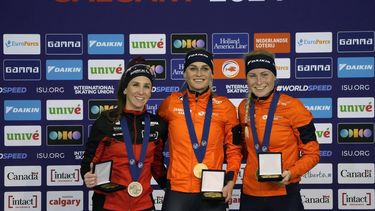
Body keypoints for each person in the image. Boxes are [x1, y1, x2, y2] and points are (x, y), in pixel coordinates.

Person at [158, 48, 242, 211]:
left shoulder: (225, 107)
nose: (199, 74)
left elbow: (234, 149)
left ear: (212, 74)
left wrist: (230, 181)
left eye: (205, 68)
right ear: (184, 73)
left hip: (213, 189)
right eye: (193, 68)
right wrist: (163, 178)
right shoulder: (170, 104)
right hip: (178, 190)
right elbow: (155, 143)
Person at [80, 57, 168, 211]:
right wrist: (87, 175)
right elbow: (89, 161)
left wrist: (173, 188)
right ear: (125, 89)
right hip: (109, 204)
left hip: (144, 204)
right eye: (135, 85)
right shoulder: (106, 121)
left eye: (147, 86)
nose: (141, 91)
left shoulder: (157, 125)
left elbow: (157, 166)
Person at [238, 50, 320, 211]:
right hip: (250, 193)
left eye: (265, 74)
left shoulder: (294, 107)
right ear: (246, 79)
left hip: (284, 194)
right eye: (252, 75)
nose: (259, 81)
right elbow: (243, 149)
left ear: (274, 77)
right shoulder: (243, 108)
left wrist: (291, 173)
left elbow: (313, 153)